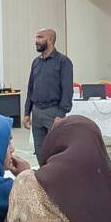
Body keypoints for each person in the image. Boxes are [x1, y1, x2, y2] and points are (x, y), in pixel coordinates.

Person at [23, 28, 74, 165]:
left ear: (50, 40)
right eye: (36, 37)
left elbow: (67, 91)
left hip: (53, 112)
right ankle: (43, 174)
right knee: (39, 150)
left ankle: (56, 176)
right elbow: (30, 89)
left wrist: (61, 114)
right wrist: (27, 112)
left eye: (40, 37)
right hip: (37, 112)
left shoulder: (63, 62)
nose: (36, 41)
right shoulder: (36, 62)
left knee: (55, 150)